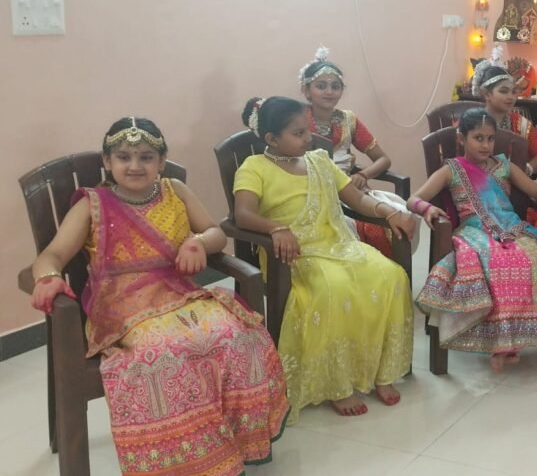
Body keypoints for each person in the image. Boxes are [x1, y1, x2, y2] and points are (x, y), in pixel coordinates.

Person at [30, 118, 288, 475]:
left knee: (238, 335)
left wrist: (197, 242)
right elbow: (53, 255)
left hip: (178, 294)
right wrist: (48, 277)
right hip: (121, 306)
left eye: (146, 157)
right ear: (107, 162)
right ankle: (180, 462)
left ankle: (230, 447)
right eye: (124, 157)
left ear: (161, 161)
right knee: (164, 354)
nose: (135, 165)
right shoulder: (93, 204)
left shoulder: (175, 190)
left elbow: (214, 232)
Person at [233, 96, 417, 418]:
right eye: (298, 133)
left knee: (390, 276)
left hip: (336, 242)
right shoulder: (254, 167)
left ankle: (382, 371)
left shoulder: (319, 160)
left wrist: (389, 212)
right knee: (334, 288)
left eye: (307, 130)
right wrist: (276, 228)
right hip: (292, 252)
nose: (309, 138)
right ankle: (336, 384)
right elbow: (243, 215)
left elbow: (356, 200)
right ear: (271, 139)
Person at [409, 108, 537, 373]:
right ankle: (501, 344)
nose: (485, 145)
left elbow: (535, 190)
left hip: (512, 228)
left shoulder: (505, 166)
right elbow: (413, 199)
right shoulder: (451, 169)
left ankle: (518, 337)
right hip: (474, 233)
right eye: (478, 138)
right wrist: (427, 209)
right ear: (461, 138)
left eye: (490, 138)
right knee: (500, 264)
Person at [299, 46, 408, 256]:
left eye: (335, 86)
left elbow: (383, 159)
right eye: (321, 86)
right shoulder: (297, 120)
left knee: (394, 218)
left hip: (349, 190)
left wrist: (363, 175)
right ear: (306, 90)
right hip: (310, 191)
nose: (329, 92)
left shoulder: (348, 120)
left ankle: (383, 269)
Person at [473, 62, 537, 234]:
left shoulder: (520, 123)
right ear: (486, 93)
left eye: (513, 92)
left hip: (515, 193)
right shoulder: (471, 122)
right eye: (503, 91)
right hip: (478, 193)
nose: (511, 97)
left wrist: (526, 169)